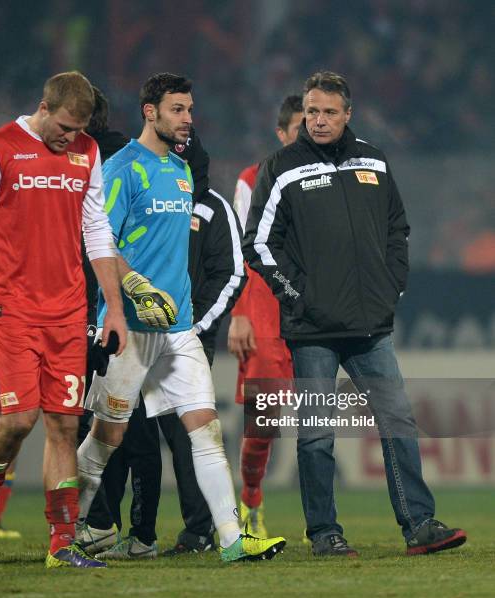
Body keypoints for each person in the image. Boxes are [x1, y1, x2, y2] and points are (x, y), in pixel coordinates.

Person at [243, 70, 467, 557]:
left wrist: (393, 287)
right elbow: (258, 243)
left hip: (372, 327)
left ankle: (420, 525)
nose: (318, 121)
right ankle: (324, 533)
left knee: (398, 424)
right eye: (312, 111)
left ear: (348, 114)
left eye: (328, 112)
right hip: (314, 330)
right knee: (318, 436)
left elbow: (397, 229)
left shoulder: (374, 159)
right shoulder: (280, 166)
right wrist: (298, 297)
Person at [76, 72, 285, 563]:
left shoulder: (182, 171)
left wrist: (178, 309)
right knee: (107, 437)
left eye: (190, 109)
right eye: (178, 109)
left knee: (205, 428)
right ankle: (66, 529)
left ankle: (232, 539)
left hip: (177, 329)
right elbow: (98, 240)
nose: (188, 119)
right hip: (128, 328)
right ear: (150, 111)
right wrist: (132, 285)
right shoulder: (123, 168)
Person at [0, 71, 127, 569]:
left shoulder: (88, 152)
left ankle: (60, 543)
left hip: (69, 311)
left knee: (64, 425)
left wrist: (113, 306)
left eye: (79, 130)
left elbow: (96, 229)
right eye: (65, 127)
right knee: (18, 419)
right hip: (13, 309)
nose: (70, 138)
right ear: (44, 107)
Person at [229, 95, 303, 538]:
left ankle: (323, 523)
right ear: (281, 133)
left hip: (314, 312)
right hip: (264, 311)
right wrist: (239, 314)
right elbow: (241, 251)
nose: (308, 132)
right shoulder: (252, 179)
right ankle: (251, 499)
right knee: (265, 422)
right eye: (299, 125)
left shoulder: (326, 177)